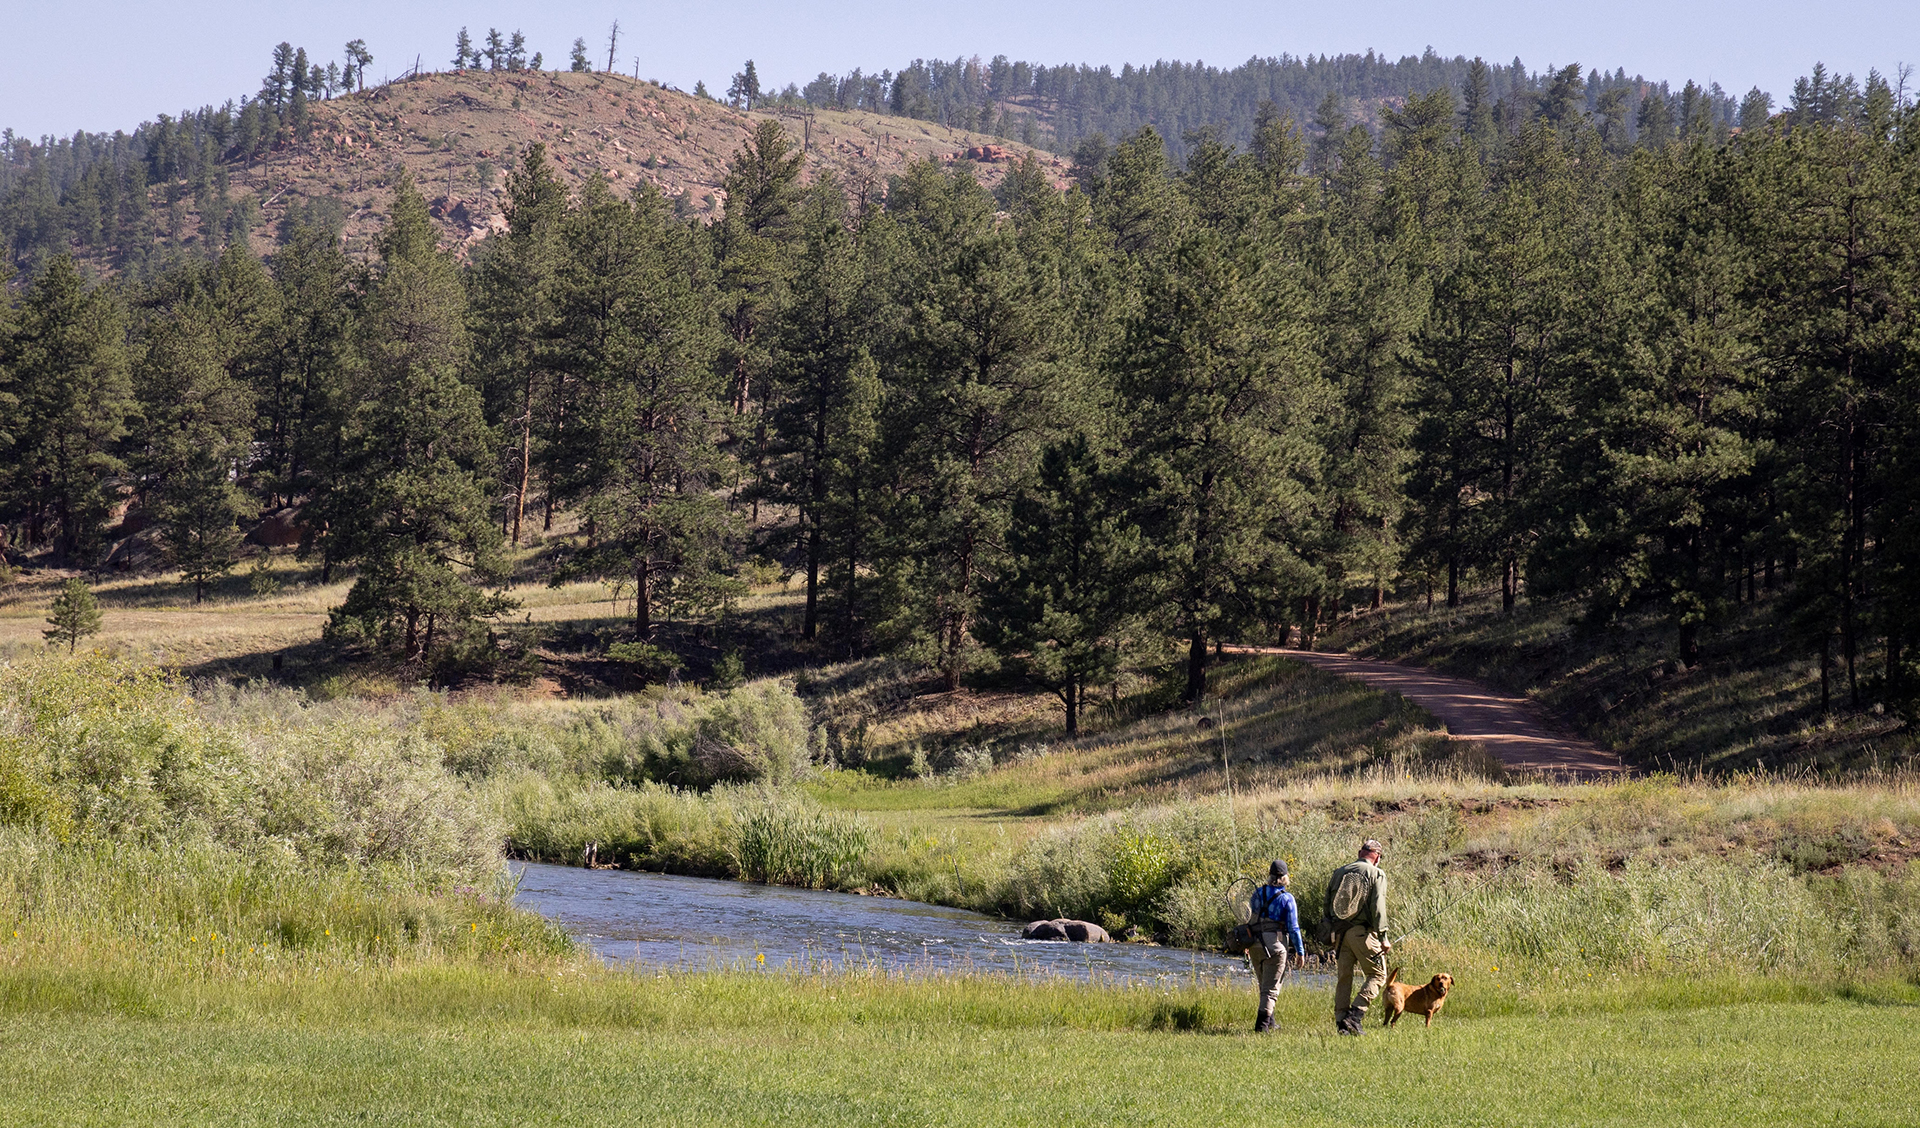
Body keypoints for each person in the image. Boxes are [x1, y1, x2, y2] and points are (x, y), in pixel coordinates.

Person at [1323, 838, 1389, 1035]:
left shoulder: (1339, 872)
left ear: (1361, 853)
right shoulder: (1376, 873)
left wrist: (1331, 928)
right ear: (1376, 856)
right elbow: (1378, 907)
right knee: (1378, 974)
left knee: (1344, 977)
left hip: (1339, 934)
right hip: (1361, 932)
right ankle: (1355, 1015)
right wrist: (1383, 936)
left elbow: (1327, 903)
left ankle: (1341, 1022)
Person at [1247, 858, 1305, 1032]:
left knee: (1264, 985)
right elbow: (1293, 928)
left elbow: (1249, 918)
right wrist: (1300, 952)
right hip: (1275, 946)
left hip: (1255, 944)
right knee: (1271, 989)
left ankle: (1271, 1023)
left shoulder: (1257, 893)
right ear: (1285, 878)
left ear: (1269, 875)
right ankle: (1261, 1027)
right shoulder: (1287, 898)